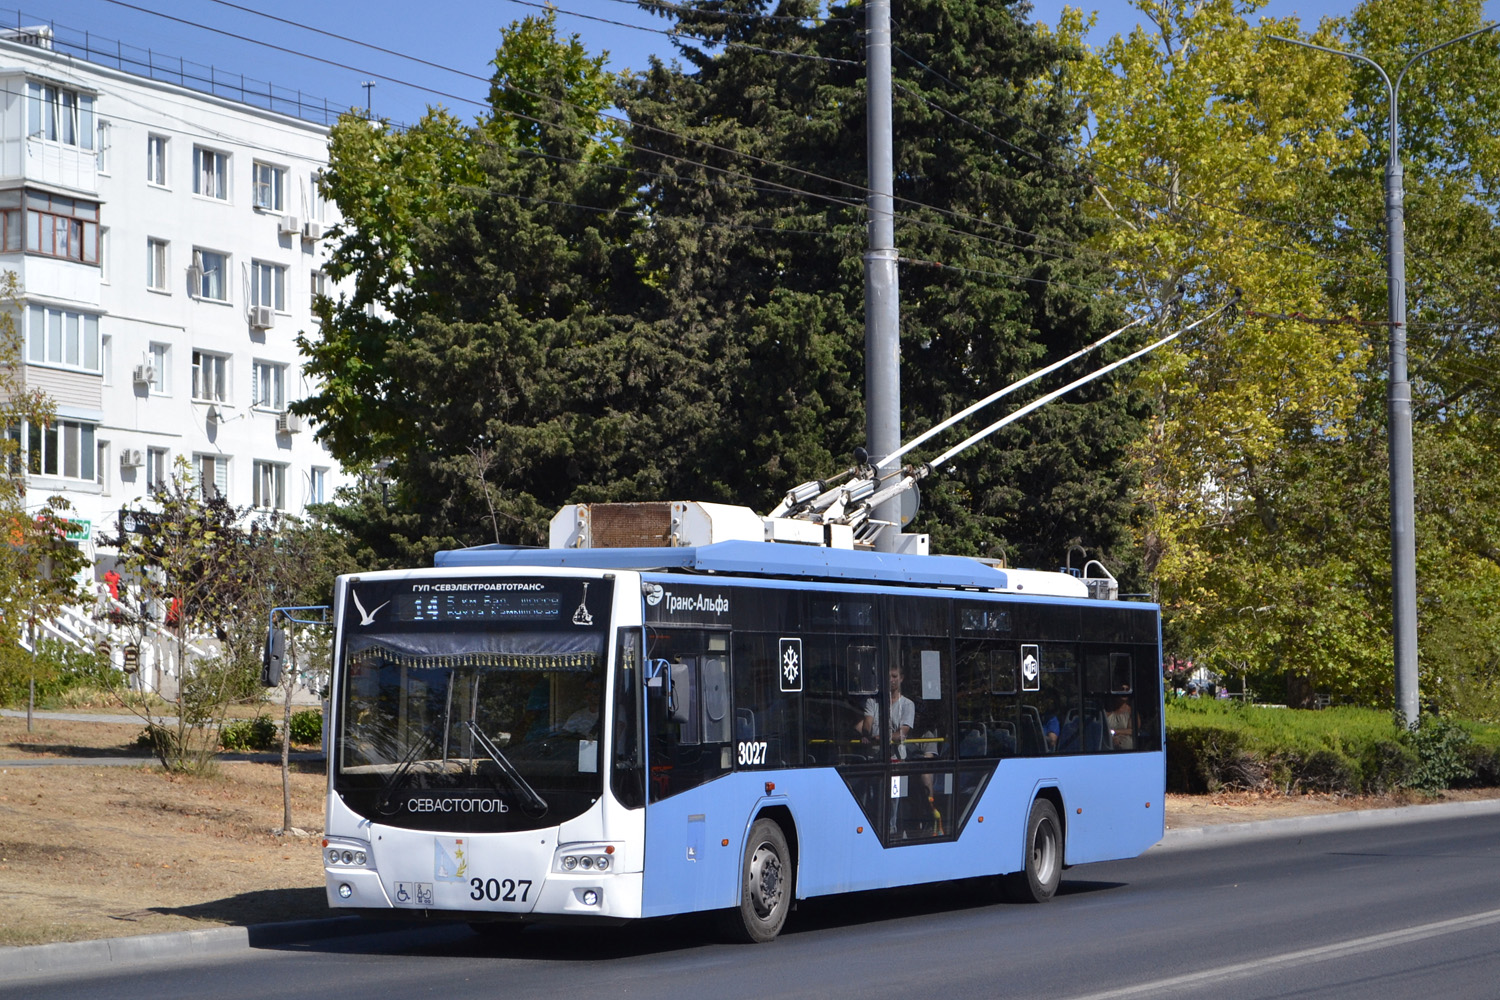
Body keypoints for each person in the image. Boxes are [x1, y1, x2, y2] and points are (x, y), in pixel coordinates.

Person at [861, 666, 914, 760]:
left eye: (894, 676)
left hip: (896, 758)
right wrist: (866, 734)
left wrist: (880, 738)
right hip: (874, 757)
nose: (890, 680)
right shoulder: (872, 701)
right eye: (887, 676)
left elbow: (901, 733)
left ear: (901, 678)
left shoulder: (908, 704)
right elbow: (867, 723)